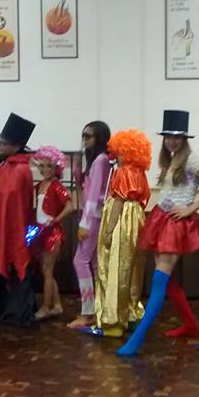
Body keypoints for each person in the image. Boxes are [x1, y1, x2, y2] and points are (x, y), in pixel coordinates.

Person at [117, 111, 199, 356]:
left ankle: (137, 339)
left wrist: (190, 208)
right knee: (166, 279)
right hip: (162, 218)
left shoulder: (192, 160)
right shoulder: (172, 159)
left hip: (176, 223)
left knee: (159, 281)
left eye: (177, 137)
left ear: (184, 138)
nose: (172, 141)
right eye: (168, 137)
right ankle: (190, 325)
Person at [90, 129, 151, 338]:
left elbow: (118, 202)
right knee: (132, 269)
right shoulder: (141, 173)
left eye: (121, 152)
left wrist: (108, 230)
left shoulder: (123, 172)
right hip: (137, 220)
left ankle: (113, 322)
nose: (117, 156)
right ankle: (131, 314)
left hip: (121, 222)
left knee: (114, 267)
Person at [0, 112, 36, 325]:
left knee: (8, 270)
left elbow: (16, 206)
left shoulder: (21, 170)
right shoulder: (6, 165)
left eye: (3, 143)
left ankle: (10, 311)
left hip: (10, 229)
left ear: (16, 146)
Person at [69, 121, 111, 330]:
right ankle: (97, 308)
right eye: (83, 135)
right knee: (93, 262)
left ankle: (88, 312)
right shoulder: (95, 160)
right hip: (93, 215)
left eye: (89, 136)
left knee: (80, 261)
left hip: (94, 216)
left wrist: (85, 224)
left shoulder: (101, 160)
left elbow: (94, 195)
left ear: (99, 138)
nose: (85, 140)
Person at [31, 145, 75, 321]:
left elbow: (70, 207)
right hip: (40, 231)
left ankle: (45, 307)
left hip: (52, 233)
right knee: (45, 271)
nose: (45, 169)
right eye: (41, 166)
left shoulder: (57, 186)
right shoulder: (40, 185)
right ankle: (56, 305)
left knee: (47, 270)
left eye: (49, 166)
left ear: (56, 167)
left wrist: (55, 220)